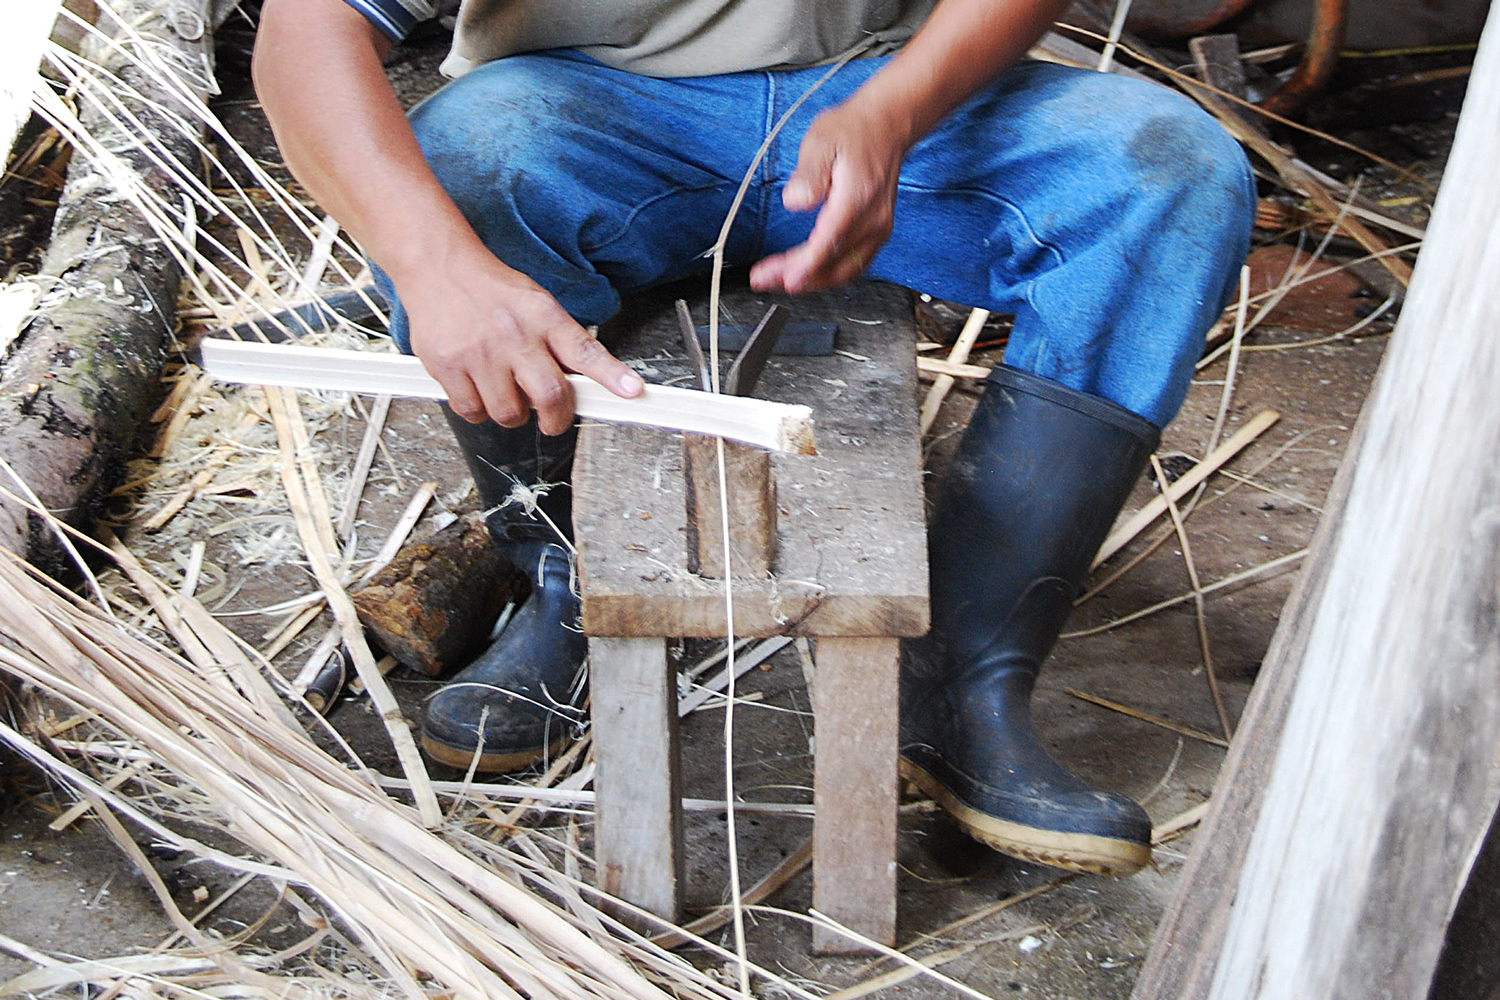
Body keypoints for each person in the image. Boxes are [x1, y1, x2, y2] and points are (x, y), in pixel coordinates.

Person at [252, 0, 1254, 876]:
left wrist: (902, 105)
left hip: (888, 102)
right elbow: (304, 32)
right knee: (458, 173)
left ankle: (959, 677)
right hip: (592, 111)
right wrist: (434, 269)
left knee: (1169, 174)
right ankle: (572, 588)